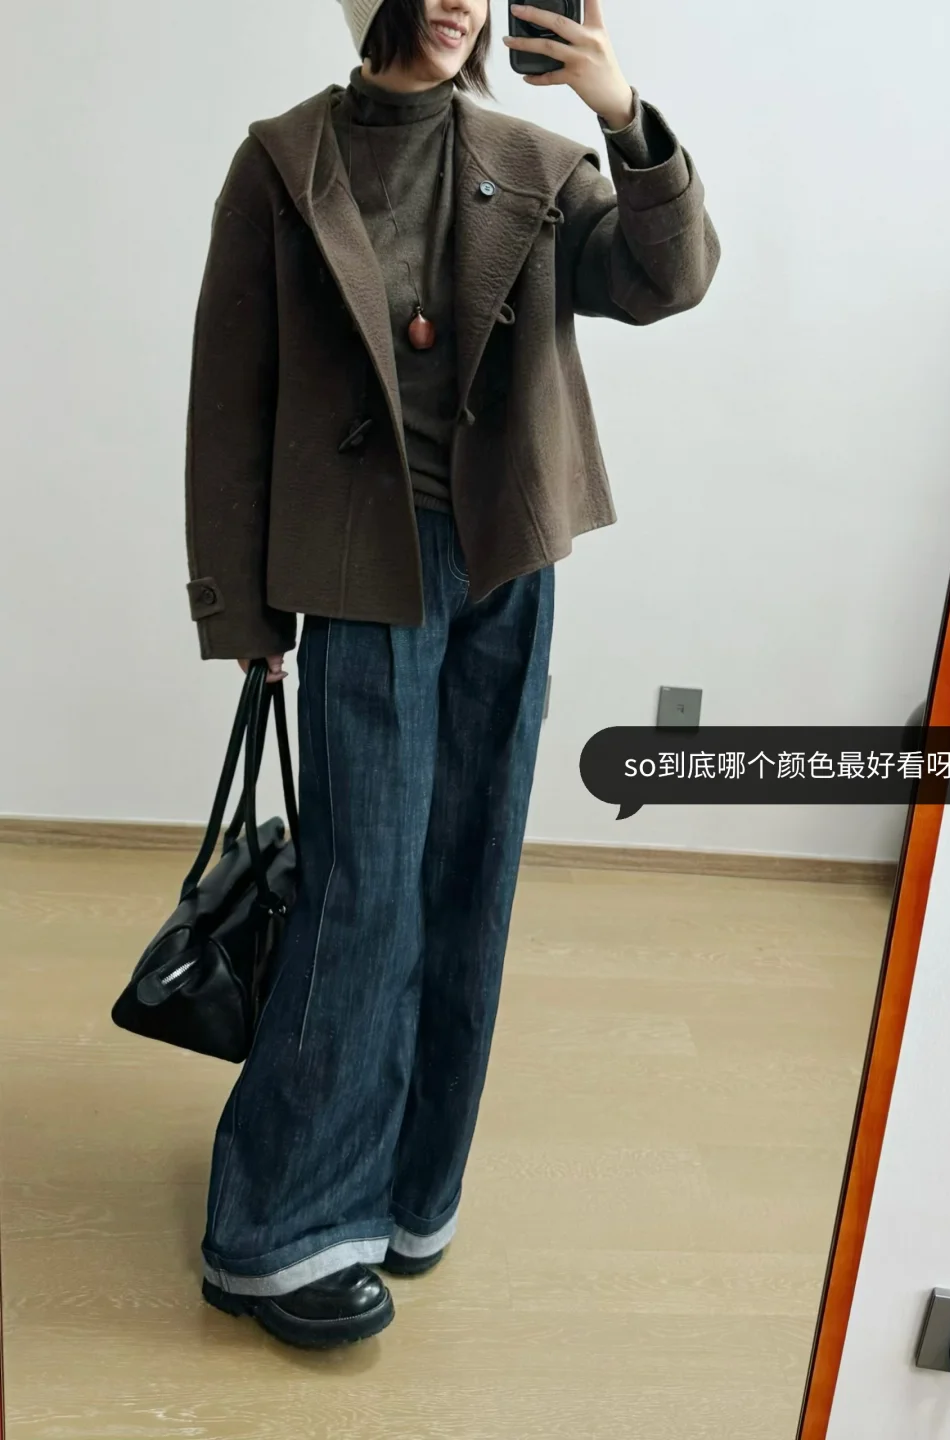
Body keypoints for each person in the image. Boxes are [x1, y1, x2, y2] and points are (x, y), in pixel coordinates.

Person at [185, 0, 718, 1351]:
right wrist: (238, 604)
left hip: (505, 564)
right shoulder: (283, 161)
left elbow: (668, 279)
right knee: (361, 892)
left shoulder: (537, 161)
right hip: (360, 567)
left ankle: (406, 1190)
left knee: (467, 875)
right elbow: (229, 395)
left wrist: (621, 113)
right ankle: (276, 1232)